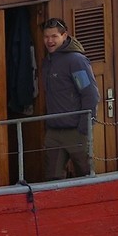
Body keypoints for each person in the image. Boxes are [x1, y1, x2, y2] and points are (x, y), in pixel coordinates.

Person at [41, 17, 98, 178]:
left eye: (54, 36)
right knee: (52, 177)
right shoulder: (47, 61)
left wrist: (84, 127)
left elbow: (90, 94)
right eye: (46, 37)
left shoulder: (76, 60)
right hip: (53, 131)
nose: (49, 41)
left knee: (85, 175)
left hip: (75, 131)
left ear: (64, 36)